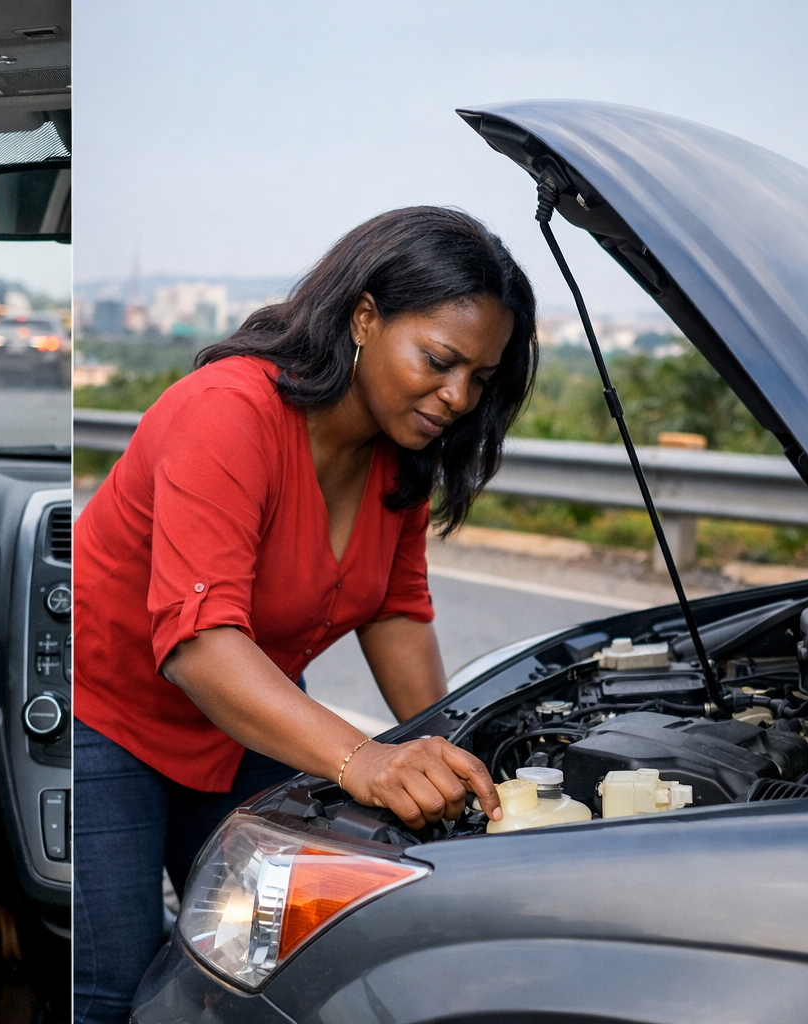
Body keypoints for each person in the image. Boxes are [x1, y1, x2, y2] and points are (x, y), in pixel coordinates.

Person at [71, 207, 538, 1024]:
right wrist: (365, 761)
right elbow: (203, 645)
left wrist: (463, 754)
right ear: (364, 316)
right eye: (439, 360)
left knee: (273, 963)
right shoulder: (226, 412)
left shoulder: (403, 451)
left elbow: (393, 609)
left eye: (482, 378)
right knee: (112, 986)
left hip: (247, 728)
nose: (459, 396)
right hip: (108, 718)